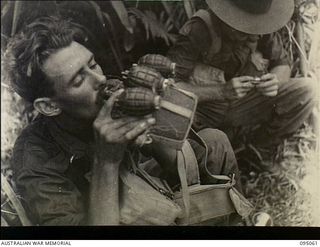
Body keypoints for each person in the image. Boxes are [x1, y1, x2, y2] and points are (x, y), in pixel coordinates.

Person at [4, 16, 245, 226]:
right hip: (111, 213)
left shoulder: (108, 93)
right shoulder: (36, 160)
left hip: (145, 186)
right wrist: (106, 161)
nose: (99, 79)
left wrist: (151, 120)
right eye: (78, 81)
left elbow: (178, 167)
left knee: (214, 143)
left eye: (93, 64)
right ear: (49, 106)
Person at [167, 0, 316, 147]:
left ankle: (258, 147)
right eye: (243, 30)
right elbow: (170, 87)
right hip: (204, 112)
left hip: (244, 105)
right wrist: (221, 91)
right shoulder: (200, 28)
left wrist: (275, 80)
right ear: (226, 17)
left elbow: (282, 64)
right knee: (195, 146)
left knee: (307, 90)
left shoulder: (262, 23)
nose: (252, 36)